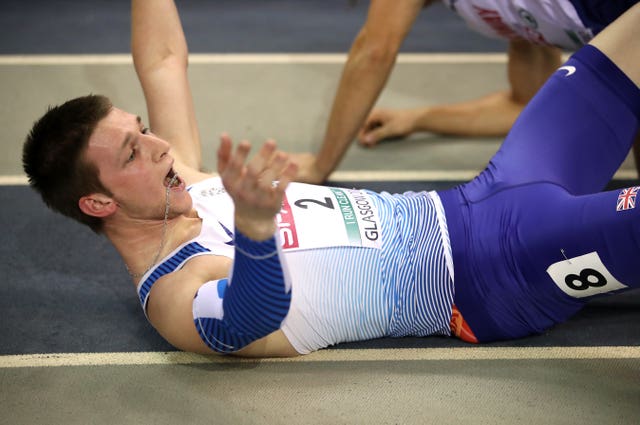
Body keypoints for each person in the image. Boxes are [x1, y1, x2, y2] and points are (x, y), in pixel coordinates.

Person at [22, 1, 640, 358]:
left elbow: (160, 60)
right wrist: (256, 227)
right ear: (98, 200)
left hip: (485, 194)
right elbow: (249, 320)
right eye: (133, 149)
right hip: (494, 273)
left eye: (143, 128)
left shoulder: (177, 178)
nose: (161, 147)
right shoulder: (172, 291)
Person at [292, 0, 640, 183]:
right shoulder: (518, 20)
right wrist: (420, 119)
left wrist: (321, 165)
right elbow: (525, 104)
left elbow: (374, 51)